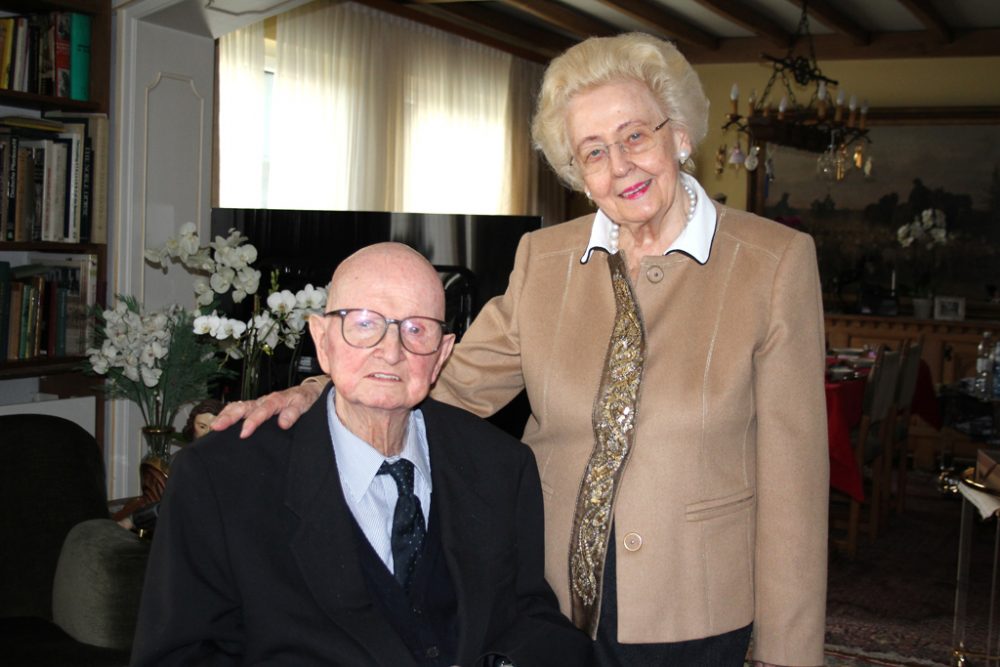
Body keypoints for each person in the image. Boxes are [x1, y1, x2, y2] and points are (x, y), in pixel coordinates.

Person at [214, 33, 829, 667]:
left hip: (694, 607)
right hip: (548, 602)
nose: (619, 166)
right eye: (594, 151)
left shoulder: (772, 263)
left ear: (678, 134)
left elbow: (796, 488)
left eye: (635, 136)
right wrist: (315, 387)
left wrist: (789, 654)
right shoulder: (545, 259)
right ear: (576, 172)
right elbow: (443, 382)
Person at [131, 243, 591, 667]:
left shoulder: (501, 467)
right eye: (365, 324)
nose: (391, 352)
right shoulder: (220, 478)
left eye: (417, 329)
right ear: (322, 340)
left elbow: (532, 621)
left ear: (442, 353)